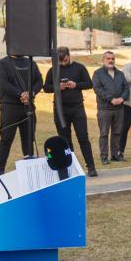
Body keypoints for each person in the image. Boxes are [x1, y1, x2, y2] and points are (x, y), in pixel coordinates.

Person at [42, 47, 98, 177]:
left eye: (65, 60)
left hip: (77, 108)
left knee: (83, 138)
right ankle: (70, 169)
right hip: (60, 110)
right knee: (65, 140)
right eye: (60, 61)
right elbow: (46, 88)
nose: (63, 62)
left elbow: (89, 84)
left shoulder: (79, 68)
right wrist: (58, 87)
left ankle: (91, 167)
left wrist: (76, 85)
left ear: (69, 55)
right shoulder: (53, 70)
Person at [0, 49, 43, 174]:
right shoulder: (2, 64)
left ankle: (30, 168)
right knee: (6, 139)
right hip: (10, 107)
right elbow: (3, 83)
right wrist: (20, 94)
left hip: (28, 107)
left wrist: (31, 93)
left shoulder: (31, 62)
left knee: (28, 139)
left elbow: (39, 81)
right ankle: (0, 170)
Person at [92, 51, 129, 166]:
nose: (110, 60)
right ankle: (104, 156)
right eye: (108, 58)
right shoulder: (98, 73)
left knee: (117, 132)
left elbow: (126, 88)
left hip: (119, 108)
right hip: (105, 109)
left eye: (112, 58)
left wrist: (122, 98)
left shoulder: (120, 73)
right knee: (104, 133)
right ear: (103, 60)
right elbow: (97, 89)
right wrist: (111, 99)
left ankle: (115, 155)